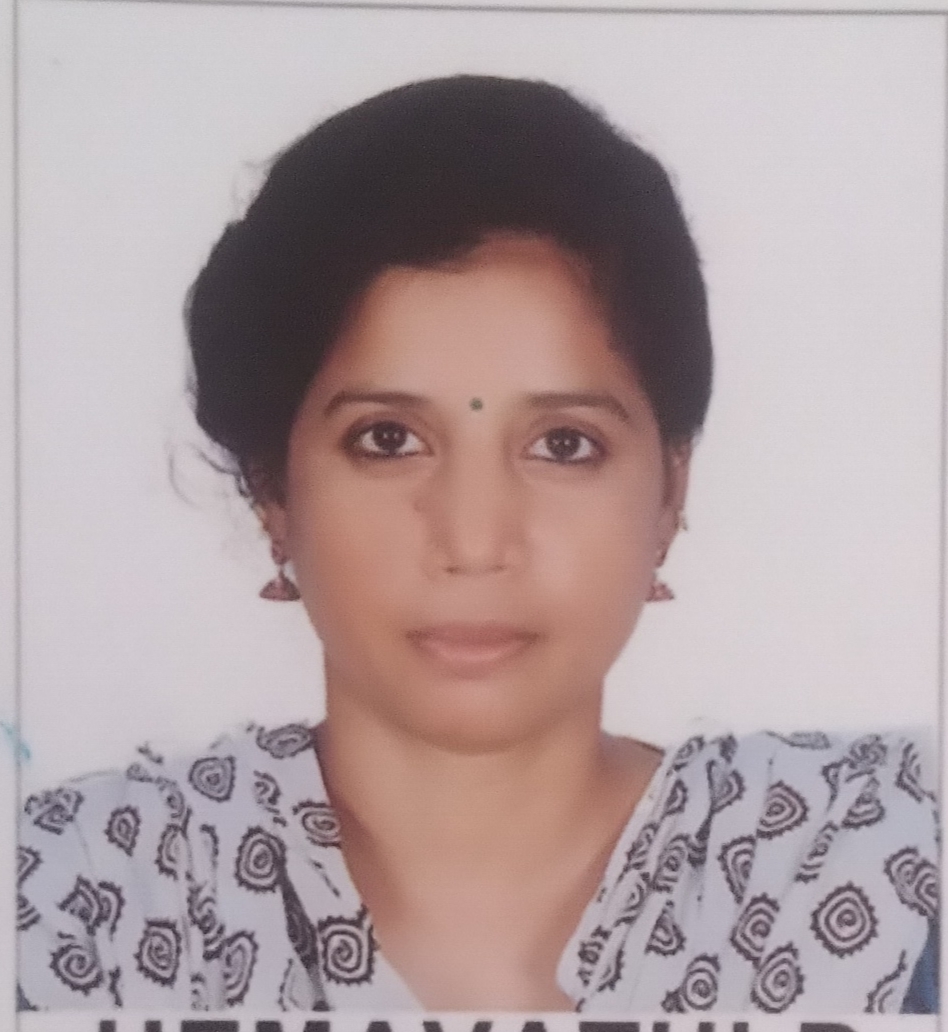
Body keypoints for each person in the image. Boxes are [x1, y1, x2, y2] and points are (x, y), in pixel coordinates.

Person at [17, 75, 938, 1014]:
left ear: (670, 492)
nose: (473, 541)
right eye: (387, 439)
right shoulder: (84, 897)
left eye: (563, 445)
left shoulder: (867, 862)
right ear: (274, 494)